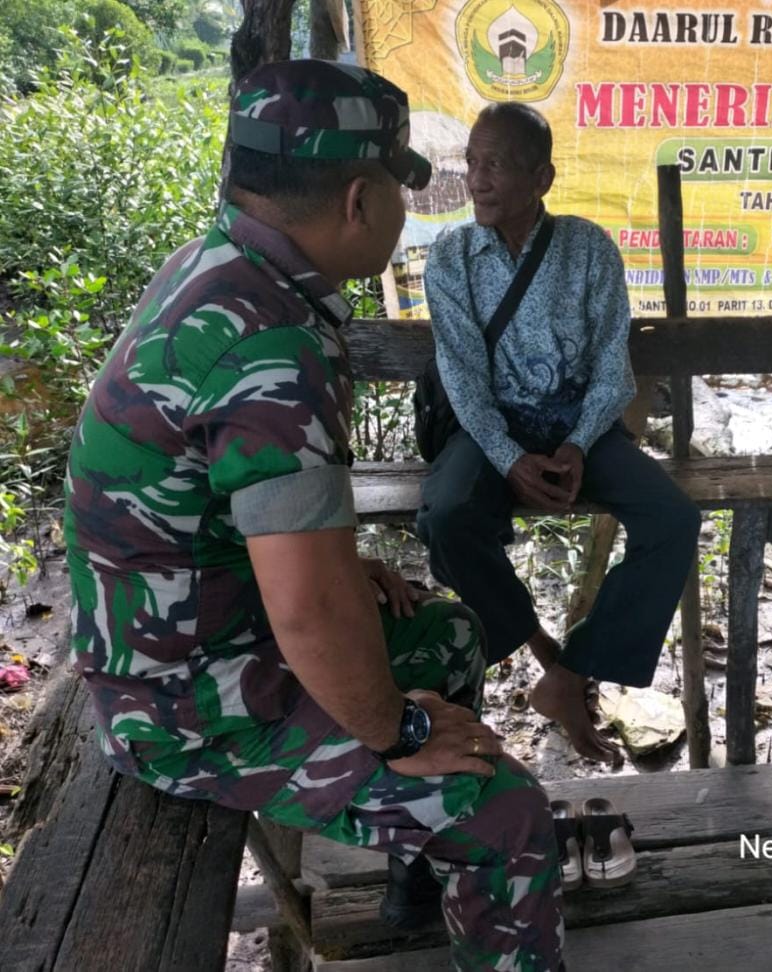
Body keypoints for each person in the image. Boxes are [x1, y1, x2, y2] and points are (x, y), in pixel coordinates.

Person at [63, 60, 564, 970]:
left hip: (194, 635)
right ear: (360, 201)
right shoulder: (267, 339)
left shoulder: (227, 268)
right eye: (403, 193)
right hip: (185, 707)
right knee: (511, 819)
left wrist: (333, 568)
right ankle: (460, 855)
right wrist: (396, 729)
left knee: (447, 636)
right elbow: (308, 614)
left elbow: (249, 519)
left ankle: (420, 880)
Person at [418, 103, 701, 763]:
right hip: (492, 429)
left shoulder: (588, 249)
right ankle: (552, 657)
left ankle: (571, 679)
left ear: (542, 178)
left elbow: (612, 369)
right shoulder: (453, 256)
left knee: (673, 519)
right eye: (471, 162)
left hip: (580, 425)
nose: (477, 179)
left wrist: (577, 444)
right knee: (447, 516)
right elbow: (462, 378)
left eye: (497, 164)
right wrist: (510, 457)